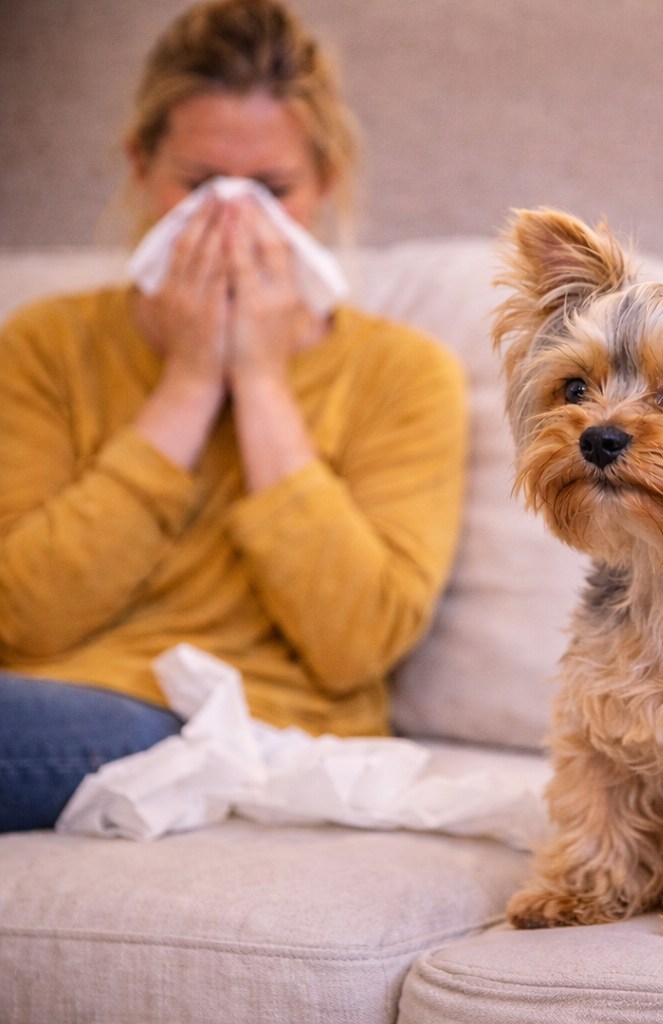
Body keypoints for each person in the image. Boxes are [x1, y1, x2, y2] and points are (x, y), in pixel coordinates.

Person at [0, 0, 466, 831]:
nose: (232, 216)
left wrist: (256, 380)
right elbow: (23, 618)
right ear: (142, 165)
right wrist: (185, 384)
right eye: (200, 183)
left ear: (326, 182)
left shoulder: (402, 375)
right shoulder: (48, 344)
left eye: (270, 189)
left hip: (234, 723)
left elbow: (356, 639)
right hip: (49, 690)